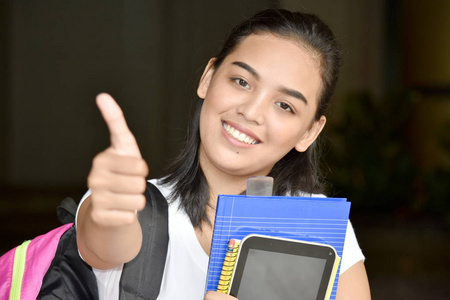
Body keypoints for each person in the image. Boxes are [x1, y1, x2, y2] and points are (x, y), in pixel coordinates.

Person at [76, 8, 371, 300]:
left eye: (285, 105)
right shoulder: (130, 205)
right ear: (208, 77)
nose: (251, 112)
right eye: (241, 81)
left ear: (310, 132)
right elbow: (106, 242)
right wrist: (112, 211)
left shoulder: (321, 230)